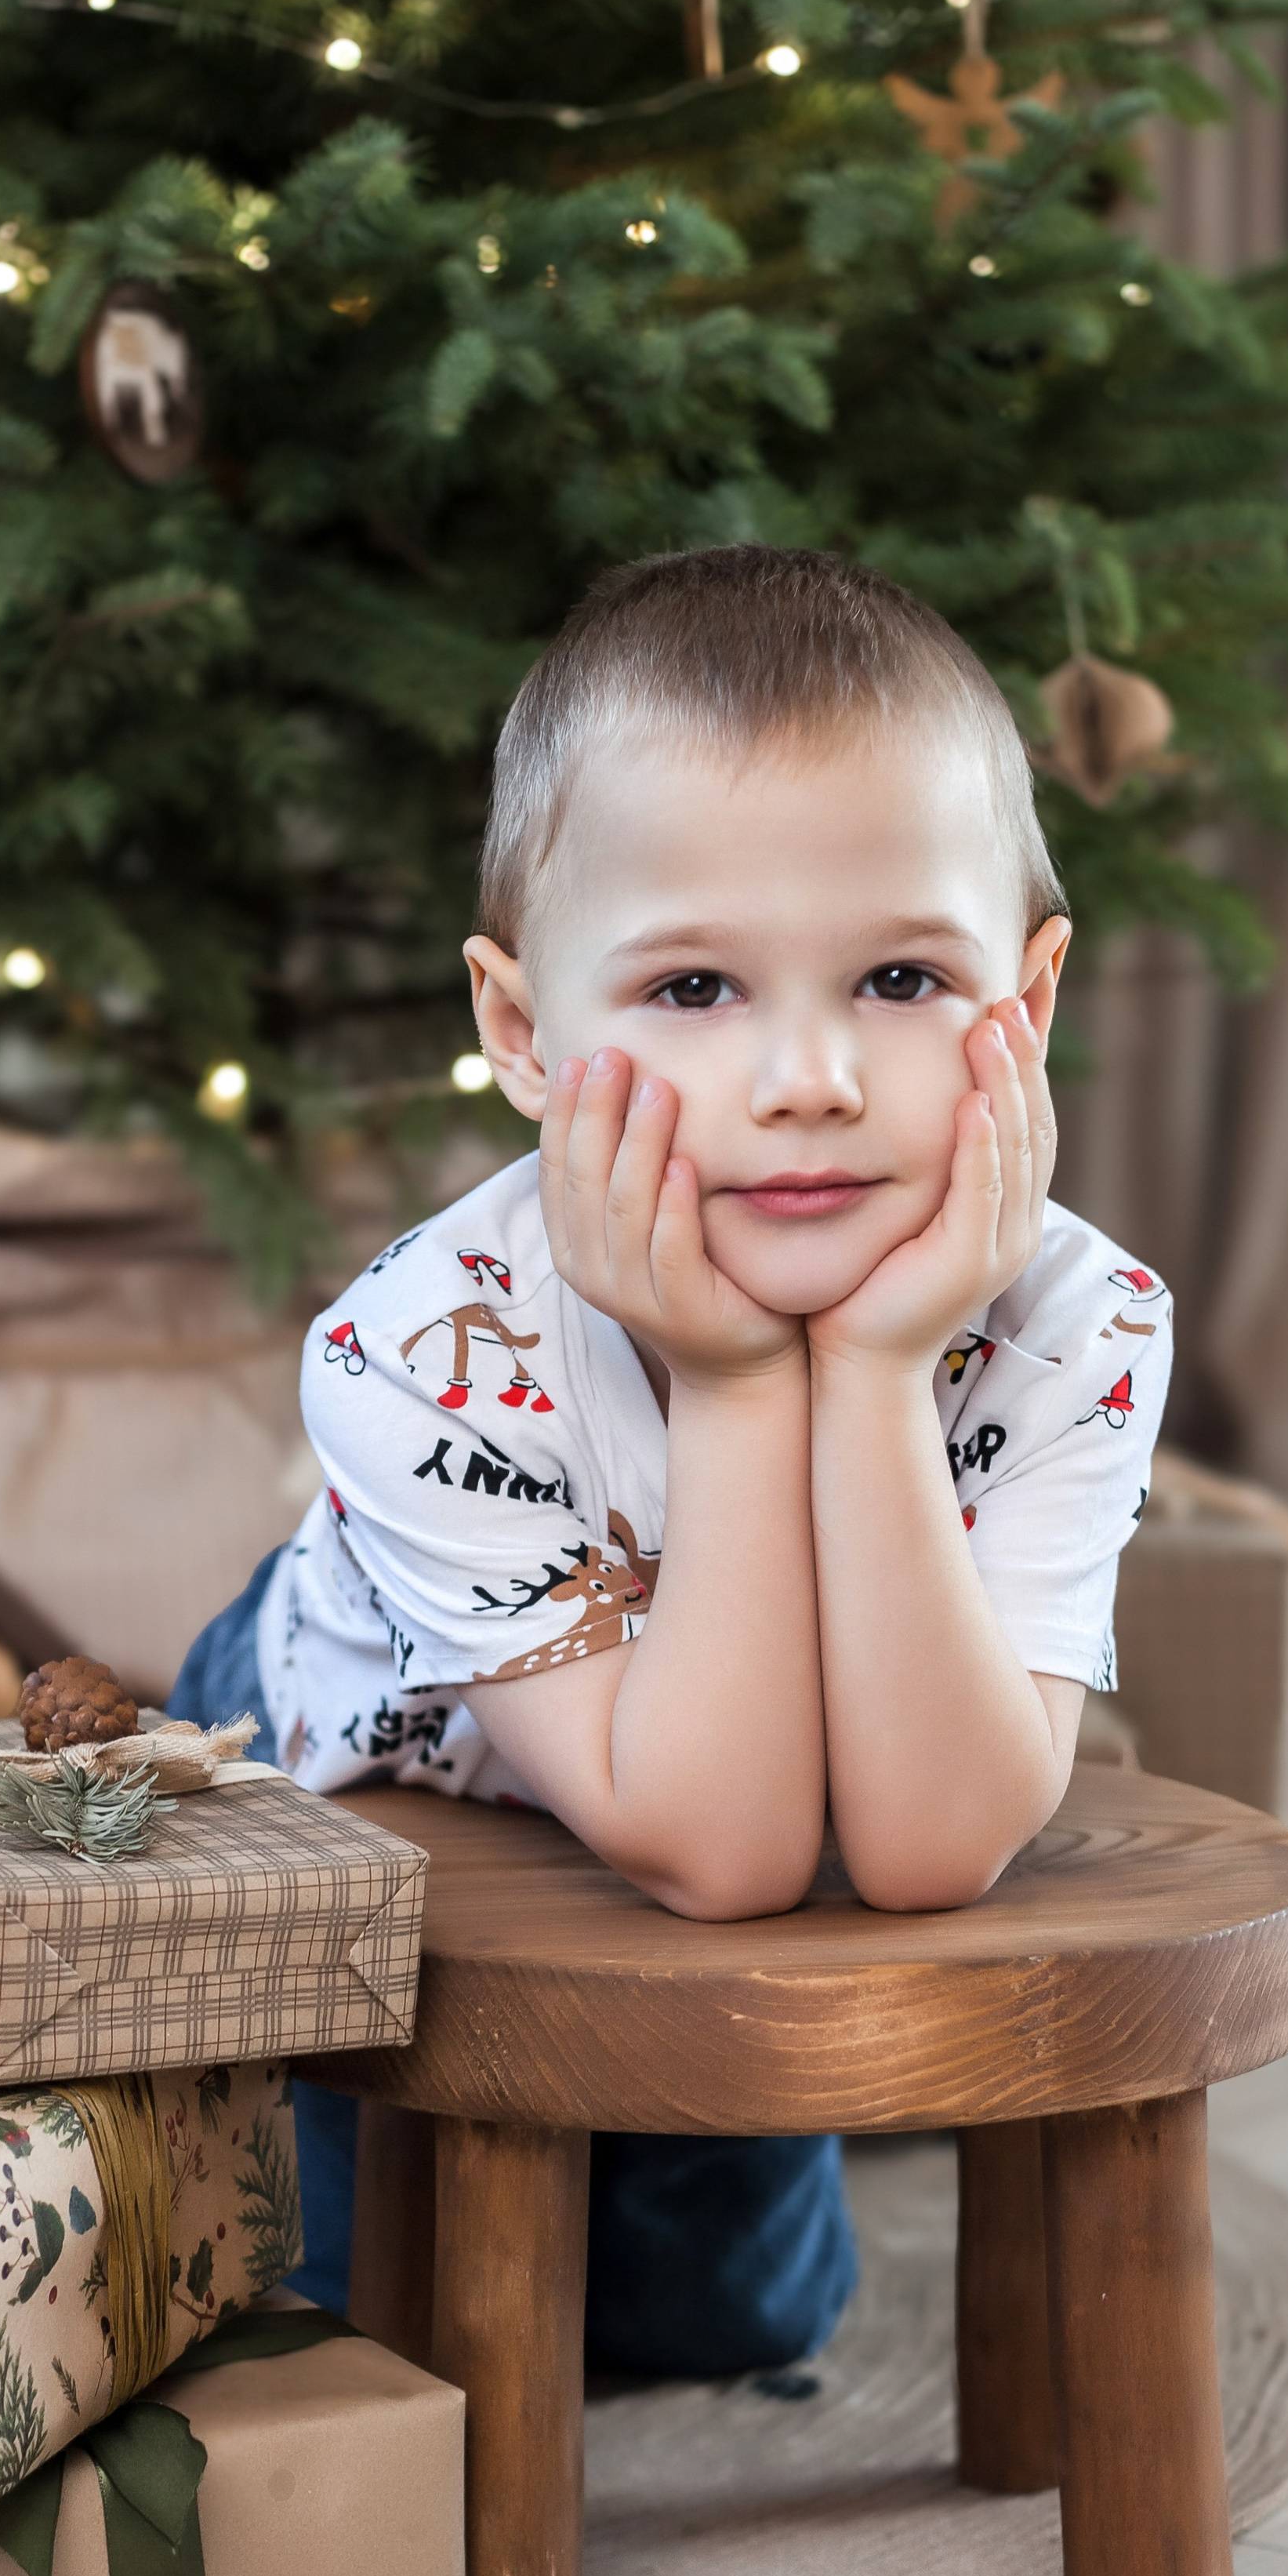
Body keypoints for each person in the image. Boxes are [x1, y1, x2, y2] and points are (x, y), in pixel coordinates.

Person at [170, 543, 1170, 2378]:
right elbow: (715, 1851)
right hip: (373, 1749)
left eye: (895, 976)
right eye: (692, 989)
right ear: (518, 1031)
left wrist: (865, 1369)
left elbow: (934, 1842)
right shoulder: (418, 1348)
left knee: (725, 2319)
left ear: (1022, 1003)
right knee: (341, 2305)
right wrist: (726, 1384)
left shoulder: (1075, 1323)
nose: (806, 1076)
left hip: (735, 1757)